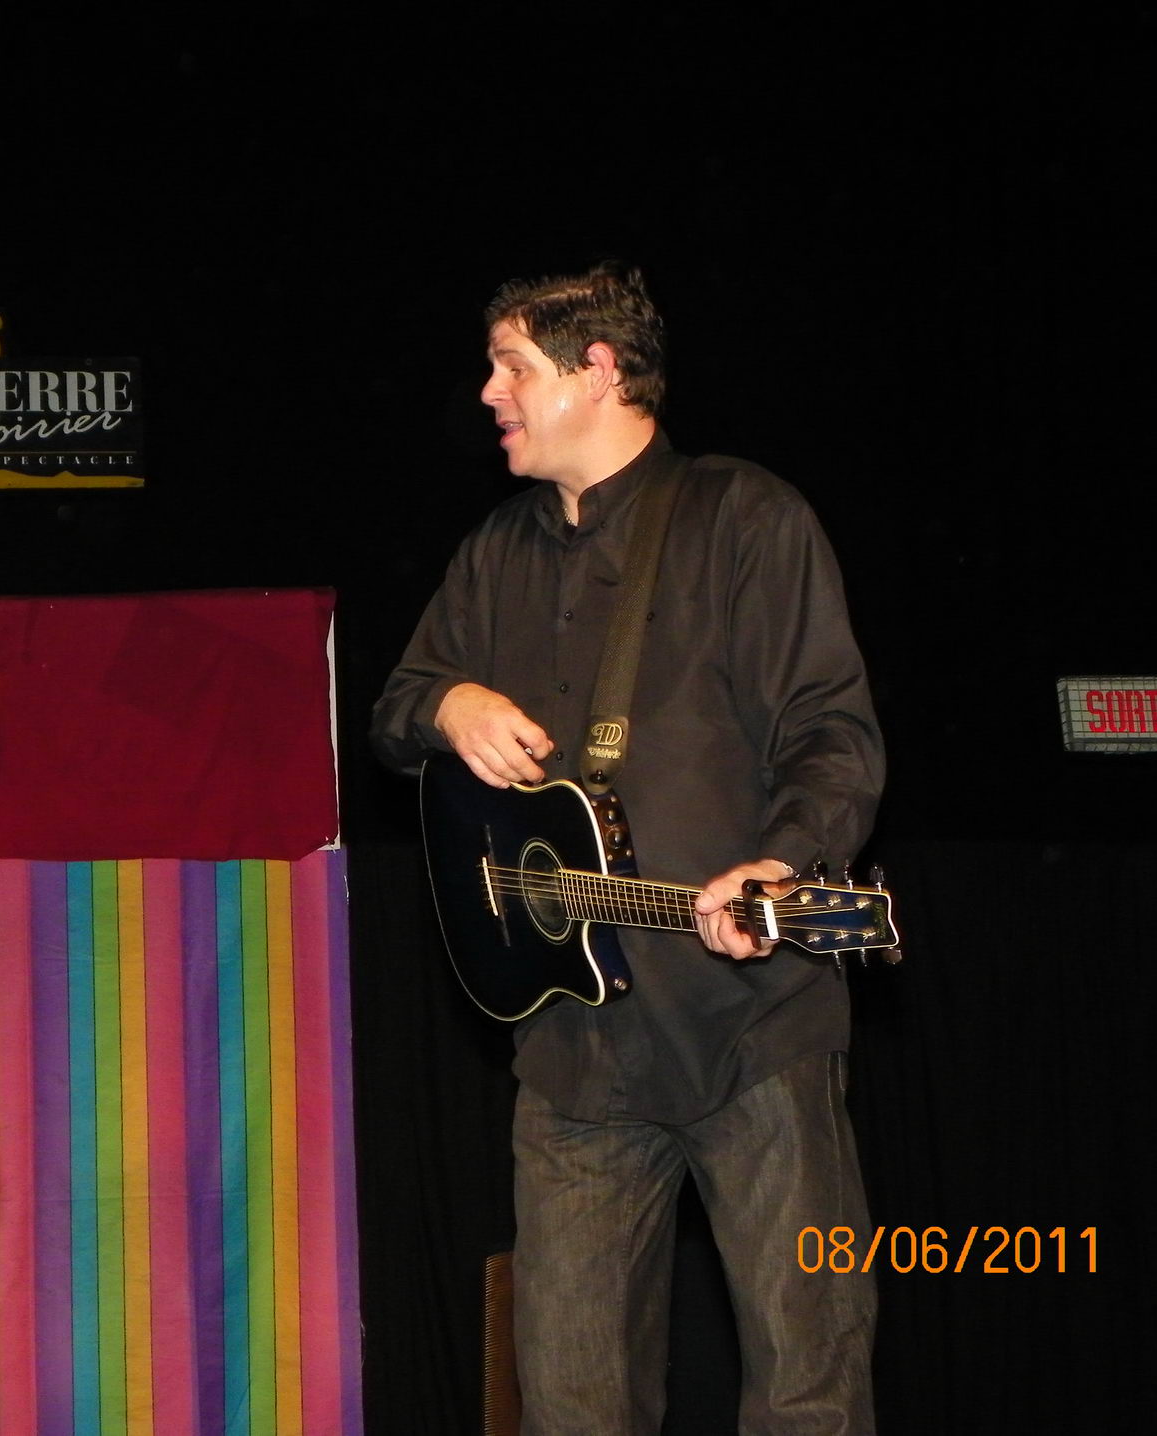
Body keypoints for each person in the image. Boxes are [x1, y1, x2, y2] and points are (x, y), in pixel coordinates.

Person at [372, 264, 885, 1434]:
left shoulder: (745, 517)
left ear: (597, 370)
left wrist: (782, 863)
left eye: (511, 365)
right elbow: (396, 709)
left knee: (806, 1388)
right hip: (571, 1053)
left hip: (749, 1030)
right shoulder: (494, 552)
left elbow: (832, 734)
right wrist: (447, 703)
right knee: (567, 1403)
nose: (487, 391)